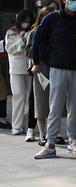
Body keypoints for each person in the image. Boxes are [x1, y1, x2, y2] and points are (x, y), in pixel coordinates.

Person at [31, 0, 76, 158]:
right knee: (55, 106)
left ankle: (72, 141)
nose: (75, 2)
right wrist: (37, 62)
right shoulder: (52, 18)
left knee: (74, 106)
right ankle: (50, 144)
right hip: (57, 67)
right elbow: (37, 40)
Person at [25, 4, 57, 145]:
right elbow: (27, 51)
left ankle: (55, 133)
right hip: (40, 70)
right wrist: (37, 49)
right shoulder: (34, 32)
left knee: (55, 104)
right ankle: (43, 134)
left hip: (56, 68)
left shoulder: (57, 32)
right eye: (45, 16)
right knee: (41, 102)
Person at [4, 9, 35, 137]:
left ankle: (26, 125)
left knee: (28, 97)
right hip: (16, 68)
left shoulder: (33, 31)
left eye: (28, 21)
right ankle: (16, 126)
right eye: (24, 21)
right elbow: (9, 49)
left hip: (29, 67)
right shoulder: (11, 32)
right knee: (19, 96)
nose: (25, 23)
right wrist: (21, 40)